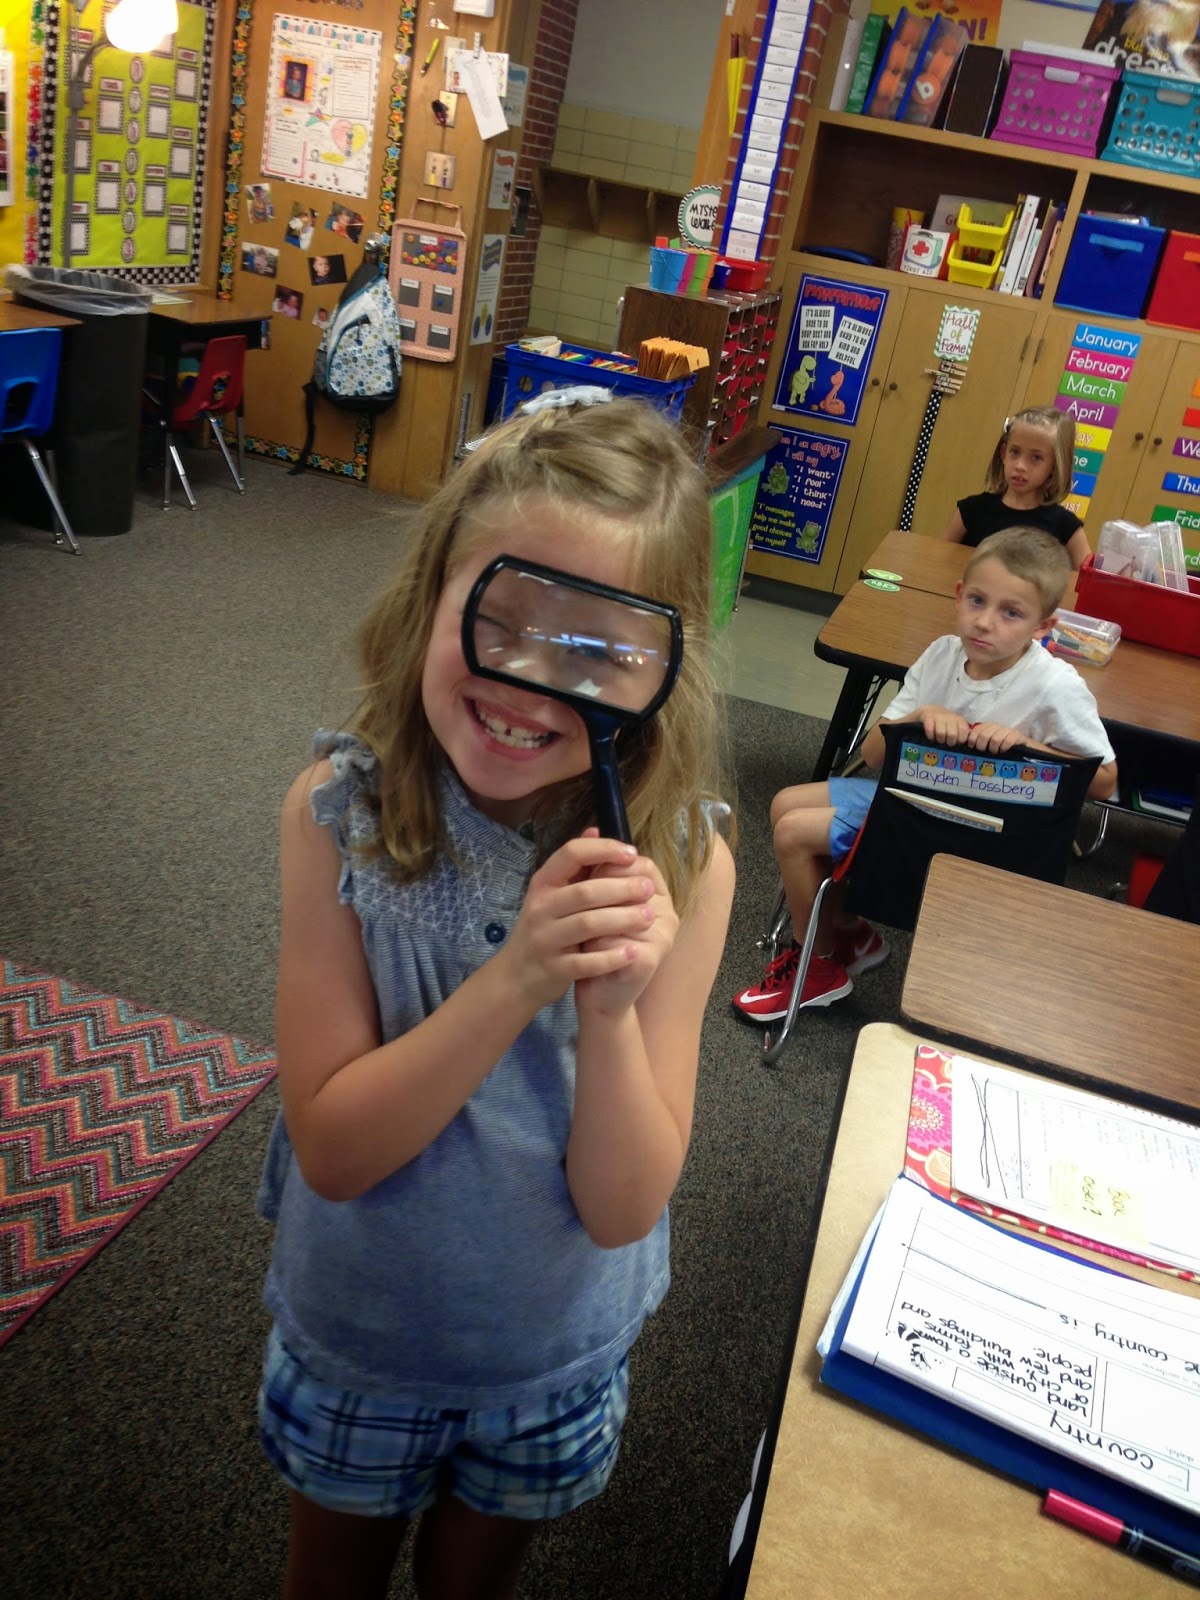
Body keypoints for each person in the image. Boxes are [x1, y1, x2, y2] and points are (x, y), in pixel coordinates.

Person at [256, 392, 736, 1600]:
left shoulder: (687, 865)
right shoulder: (338, 818)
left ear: (661, 671)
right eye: (502, 624)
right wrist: (520, 975)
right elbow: (334, 1151)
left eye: (598, 654)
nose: (529, 685)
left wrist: (608, 1011)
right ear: (433, 599)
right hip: (365, 1334)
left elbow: (624, 1206)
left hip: (551, 1349)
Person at [733, 526, 1117, 1022]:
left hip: (977, 832)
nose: (984, 622)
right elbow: (873, 755)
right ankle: (847, 930)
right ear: (958, 594)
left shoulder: (1055, 686)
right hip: (910, 801)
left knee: (792, 832)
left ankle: (819, 967)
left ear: (1044, 625)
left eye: (1011, 613)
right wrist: (917, 717)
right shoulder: (941, 655)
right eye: (976, 600)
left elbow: (1104, 780)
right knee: (784, 802)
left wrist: (1025, 746)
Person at [941, 406, 1091, 570]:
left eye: (1036, 457)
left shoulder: (1066, 526)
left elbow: (1088, 581)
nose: (1020, 466)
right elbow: (936, 559)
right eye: (1014, 452)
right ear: (1003, 453)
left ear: (1055, 465)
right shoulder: (971, 510)